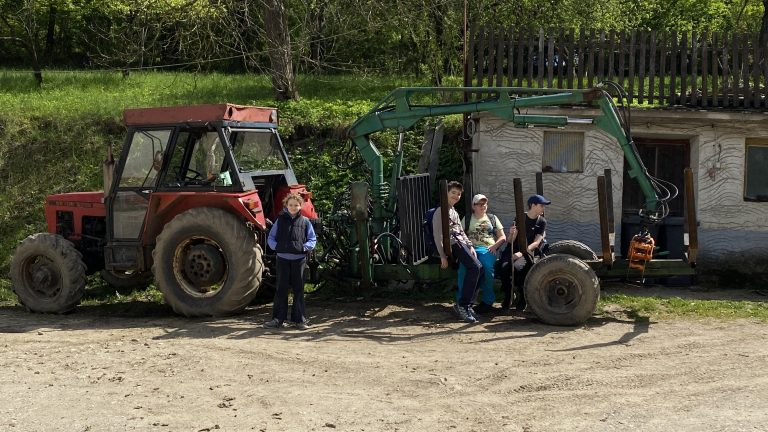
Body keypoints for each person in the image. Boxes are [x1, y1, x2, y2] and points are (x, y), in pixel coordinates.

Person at [263, 192, 317, 330]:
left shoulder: (305, 222)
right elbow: (271, 238)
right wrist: (277, 247)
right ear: (286, 205)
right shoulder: (280, 221)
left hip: (299, 261)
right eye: (291, 205)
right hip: (282, 260)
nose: (293, 207)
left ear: (300, 206)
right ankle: (277, 320)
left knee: (298, 290)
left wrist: (305, 247)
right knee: (281, 289)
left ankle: (299, 321)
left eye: (296, 205)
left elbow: (312, 239)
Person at [433, 181, 483, 323]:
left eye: (459, 194)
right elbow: (437, 235)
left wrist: (470, 246)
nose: (456, 196)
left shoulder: (454, 211)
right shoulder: (440, 211)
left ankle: (467, 305)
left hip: (462, 243)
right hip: (453, 245)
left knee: (481, 269)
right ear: (446, 193)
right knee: (475, 267)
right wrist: (442, 256)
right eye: (453, 192)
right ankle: (463, 305)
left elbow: (461, 231)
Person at [499, 194, 551, 312]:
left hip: (528, 251)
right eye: (541, 205)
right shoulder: (520, 217)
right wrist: (512, 233)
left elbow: (536, 243)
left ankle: (523, 298)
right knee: (503, 268)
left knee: (525, 268)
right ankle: (508, 296)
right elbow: (510, 241)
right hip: (512, 249)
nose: (543, 208)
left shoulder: (542, 221)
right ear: (533, 205)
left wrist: (521, 253)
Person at [457, 194, 506, 314]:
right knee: (463, 270)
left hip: (488, 249)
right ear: (474, 206)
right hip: (470, 249)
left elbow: (503, 237)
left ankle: (487, 301)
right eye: (480, 204)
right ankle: (461, 302)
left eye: (484, 204)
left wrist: (495, 246)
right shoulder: (467, 218)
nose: (483, 206)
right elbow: (459, 235)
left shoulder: (492, 218)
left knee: (487, 269)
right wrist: (467, 247)